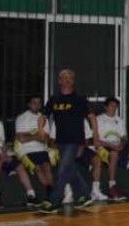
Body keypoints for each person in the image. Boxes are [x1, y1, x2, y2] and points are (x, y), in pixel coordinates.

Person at [40, 69, 97, 211]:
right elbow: (43, 115)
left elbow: (91, 117)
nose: (67, 79)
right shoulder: (54, 99)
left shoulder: (79, 99)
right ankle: (85, 195)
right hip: (61, 141)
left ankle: (54, 200)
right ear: (59, 81)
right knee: (70, 169)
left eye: (70, 77)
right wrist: (41, 128)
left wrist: (95, 135)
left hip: (75, 140)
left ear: (73, 81)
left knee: (63, 169)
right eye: (64, 77)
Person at [96, 97, 129, 200]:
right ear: (105, 107)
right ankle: (112, 186)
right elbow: (96, 140)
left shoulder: (119, 120)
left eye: (116, 106)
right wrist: (112, 146)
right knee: (114, 154)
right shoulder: (98, 119)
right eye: (112, 105)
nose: (114, 108)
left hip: (118, 146)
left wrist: (121, 145)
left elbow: (124, 138)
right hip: (104, 148)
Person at [15, 95, 54, 198]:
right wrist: (37, 136)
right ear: (29, 104)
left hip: (42, 148)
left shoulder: (43, 118)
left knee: (47, 167)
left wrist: (30, 135)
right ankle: (47, 191)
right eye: (34, 102)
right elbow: (21, 138)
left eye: (39, 103)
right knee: (38, 168)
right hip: (27, 150)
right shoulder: (22, 118)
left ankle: (51, 192)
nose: (37, 105)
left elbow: (46, 139)